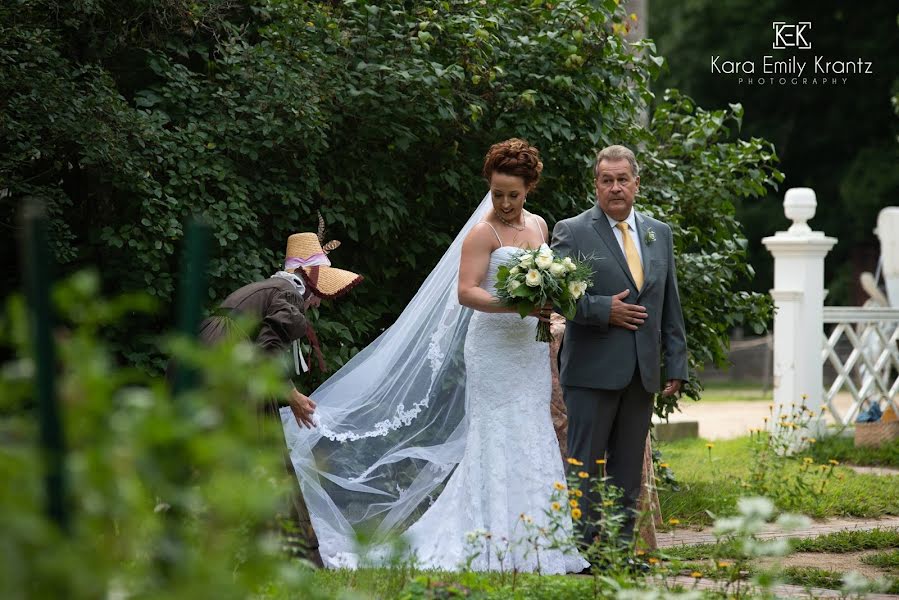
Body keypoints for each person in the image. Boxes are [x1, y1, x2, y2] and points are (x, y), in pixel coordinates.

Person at [281, 139, 586, 574]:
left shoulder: (538, 225)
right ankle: (491, 539)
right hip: (492, 350)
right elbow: (467, 291)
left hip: (527, 350)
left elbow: (545, 281)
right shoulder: (484, 233)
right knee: (497, 434)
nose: (503, 202)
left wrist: (548, 303)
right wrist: (515, 306)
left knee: (532, 431)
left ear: (530, 188)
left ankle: (540, 540)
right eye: (497, 193)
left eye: (512, 194)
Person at [191, 229, 363, 565]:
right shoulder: (288, 296)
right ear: (309, 281)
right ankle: (281, 553)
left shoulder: (271, 289)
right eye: (319, 293)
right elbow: (265, 353)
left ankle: (215, 545)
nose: (317, 302)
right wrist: (293, 395)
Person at [551, 145, 688, 550]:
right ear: (596, 184)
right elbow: (557, 293)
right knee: (586, 467)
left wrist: (675, 361)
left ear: (636, 184)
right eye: (606, 180)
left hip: (641, 373)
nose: (615, 188)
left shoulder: (658, 233)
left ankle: (622, 550)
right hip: (591, 371)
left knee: (628, 471)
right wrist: (601, 310)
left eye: (622, 179)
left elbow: (669, 302)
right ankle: (584, 551)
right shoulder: (572, 230)